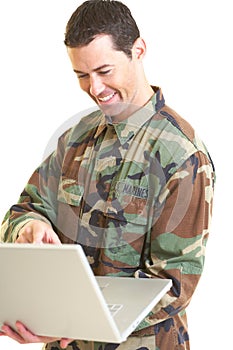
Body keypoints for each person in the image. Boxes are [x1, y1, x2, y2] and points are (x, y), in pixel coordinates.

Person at [0, 0, 215, 349]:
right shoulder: (75, 138)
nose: (95, 88)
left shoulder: (181, 154)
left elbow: (175, 282)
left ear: (138, 50)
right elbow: (25, 208)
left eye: (105, 71)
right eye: (82, 75)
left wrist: (73, 321)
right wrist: (29, 228)